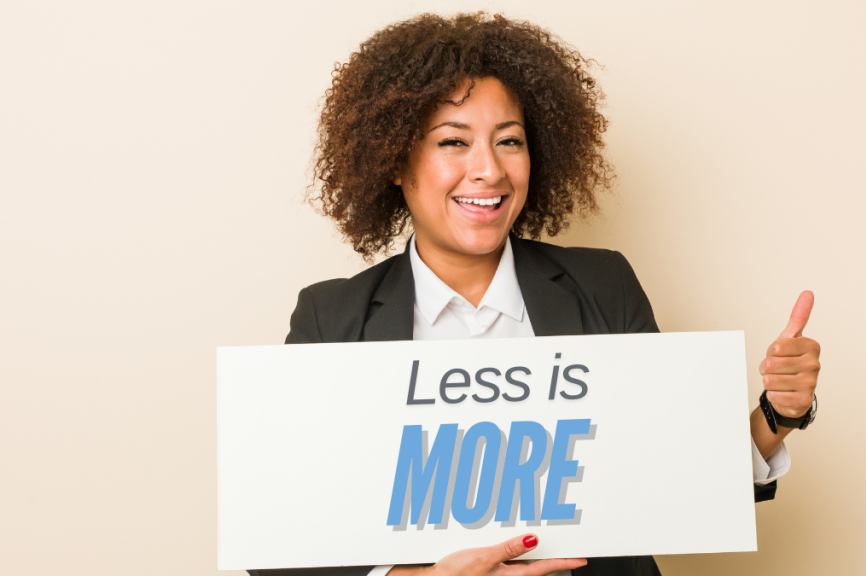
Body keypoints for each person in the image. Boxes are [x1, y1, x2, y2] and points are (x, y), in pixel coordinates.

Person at [249, 12, 820, 576]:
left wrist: (780, 411)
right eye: (453, 141)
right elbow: (283, 540)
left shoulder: (603, 286)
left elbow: (675, 478)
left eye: (509, 141)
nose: (488, 170)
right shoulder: (331, 317)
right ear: (396, 161)